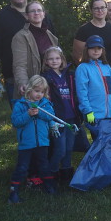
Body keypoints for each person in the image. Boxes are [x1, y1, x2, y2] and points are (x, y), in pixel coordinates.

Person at [0, 0, 54, 103]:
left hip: (45, 77)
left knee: (46, 119)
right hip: (16, 80)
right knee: (23, 119)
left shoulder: (43, 16)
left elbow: (55, 46)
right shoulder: (1, 18)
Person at [8, 75, 57, 203]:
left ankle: (50, 188)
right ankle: (13, 192)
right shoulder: (21, 104)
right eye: (36, 91)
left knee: (44, 165)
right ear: (29, 89)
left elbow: (50, 116)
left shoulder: (45, 104)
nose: (39, 94)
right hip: (26, 143)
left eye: (42, 92)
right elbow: (16, 122)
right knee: (22, 167)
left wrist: (40, 112)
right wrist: (28, 115)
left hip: (42, 142)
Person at [42, 46, 79, 186]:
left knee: (69, 148)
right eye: (51, 59)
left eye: (57, 58)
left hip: (72, 116)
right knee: (60, 149)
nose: (54, 61)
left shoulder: (70, 75)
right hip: (57, 119)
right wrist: (51, 118)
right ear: (46, 61)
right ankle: (50, 175)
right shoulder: (46, 77)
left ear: (62, 59)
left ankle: (66, 175)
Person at [75, 36, 111, 133]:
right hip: (93, 116)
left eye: (99, 48)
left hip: (109, 115)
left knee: (109, 145)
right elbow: (82, 92)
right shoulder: (83, 68)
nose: (96, 51)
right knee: (99, 145)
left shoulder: (106, 67)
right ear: (87, 49)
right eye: (93, 48)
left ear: (102, 50)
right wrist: (87, 111)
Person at [11, 1, 59, 99]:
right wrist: (23, 83)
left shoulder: (51, 36)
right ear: (27, 16)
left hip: (51, 87)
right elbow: (19, 65)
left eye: (39, 10)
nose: (36, 13)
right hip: (33, 88)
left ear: (44, 14)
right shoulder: (21, 37)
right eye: (32, 11)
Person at [72, 0, 111, 65]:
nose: (100, 11)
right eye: (96, 8)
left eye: (102, 7)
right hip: (91, 72)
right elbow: (77, 55)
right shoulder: (83, 30)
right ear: (91, 10)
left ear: (106, 9)